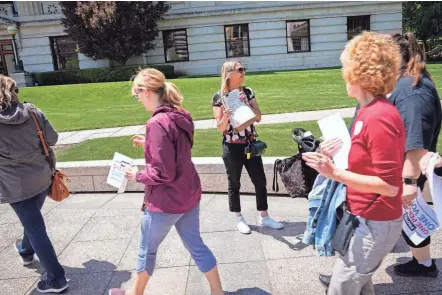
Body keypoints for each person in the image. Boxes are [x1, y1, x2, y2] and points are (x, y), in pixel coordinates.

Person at [303, 32, 405, 294]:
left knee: (341, 288)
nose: (342, 72)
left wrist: (334, 172)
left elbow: (389, 186)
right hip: (364, 218)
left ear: (360, 73)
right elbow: (364, 162)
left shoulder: (379, 116)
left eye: (345, 66)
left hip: (376, 223)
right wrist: (329, 155)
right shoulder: (366, 112)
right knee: (359, 287)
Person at [109, 68, 224, 295]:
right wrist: (149, 143)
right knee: (195, 245)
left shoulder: (156, 123)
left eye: (137, 94)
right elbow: (178, 148)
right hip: (189, 194)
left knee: (147, 251)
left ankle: (134, 294)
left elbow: (163, 173)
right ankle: (217, 292)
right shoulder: (180, 115)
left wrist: (136, 175)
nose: (138, 99)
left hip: (165, 202)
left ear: (147, 91)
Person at [0, 75, 68, 293]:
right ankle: (25, 251)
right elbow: (53, 138)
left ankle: (56, 280)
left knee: (34, 225)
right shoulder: (32, 111)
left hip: (13, 184)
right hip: (41, 176)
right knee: (33, 221)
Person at [389, 32, 441, 278]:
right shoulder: (411, 83)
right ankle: (424, 264)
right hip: (404, 169)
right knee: (411, 220)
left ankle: (352, 273)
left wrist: (408, 183)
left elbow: (416, 139)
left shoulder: (412, 90)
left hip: (405, 170)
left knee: (406, 218)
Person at [212, 61, 283, 234]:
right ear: (229, 74)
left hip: (249, 144)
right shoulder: (219, 97)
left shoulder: (248, 92)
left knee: (260, 180)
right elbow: (220, 127)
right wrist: (226, 117)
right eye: (240, 70)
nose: (244, 72)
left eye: (244, 69)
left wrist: (247, 105)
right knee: (234, 183)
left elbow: (258, 117)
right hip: (231, 146)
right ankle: (239, 218)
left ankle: (264, 216)